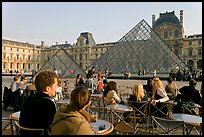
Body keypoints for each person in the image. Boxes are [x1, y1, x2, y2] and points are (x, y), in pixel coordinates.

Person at [19, 70, 58, 135]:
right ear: (48, 88)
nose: (57, 87)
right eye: (56, 85)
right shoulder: (48, 104)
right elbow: (52, 126)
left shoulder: (29, 99)